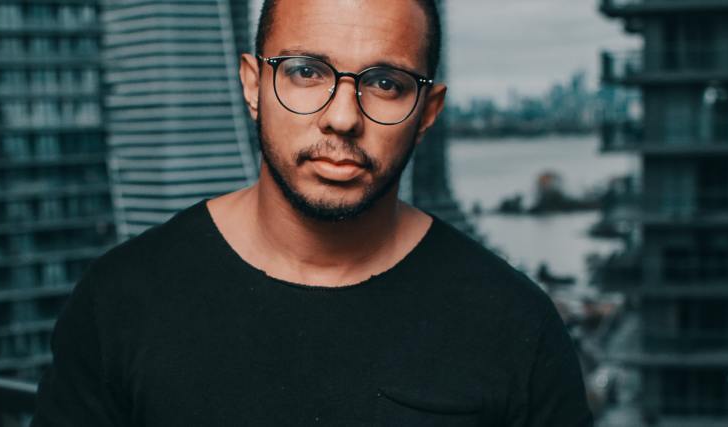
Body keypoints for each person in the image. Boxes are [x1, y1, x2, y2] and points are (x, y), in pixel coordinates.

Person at [31, 0, 593, 425]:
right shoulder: (121, 300)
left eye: (385, 83)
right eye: (306, 72)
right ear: (254, 85)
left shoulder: (517, 327)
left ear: (426, 112)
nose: (343, 117)